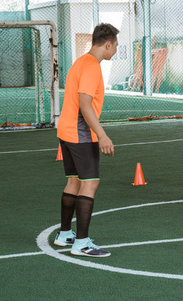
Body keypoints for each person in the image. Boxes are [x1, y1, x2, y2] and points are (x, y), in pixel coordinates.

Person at [53, 23, 119, 256]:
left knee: (74, 181)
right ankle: (81, 243)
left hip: (66, 131)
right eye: (116, 46)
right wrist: (102, 134)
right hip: (81, 134)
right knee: (90, 183)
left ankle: (64, 234)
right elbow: (84, 103)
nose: (116, 50)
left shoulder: (81, 61)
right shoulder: (91, 67)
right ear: (108, 44)